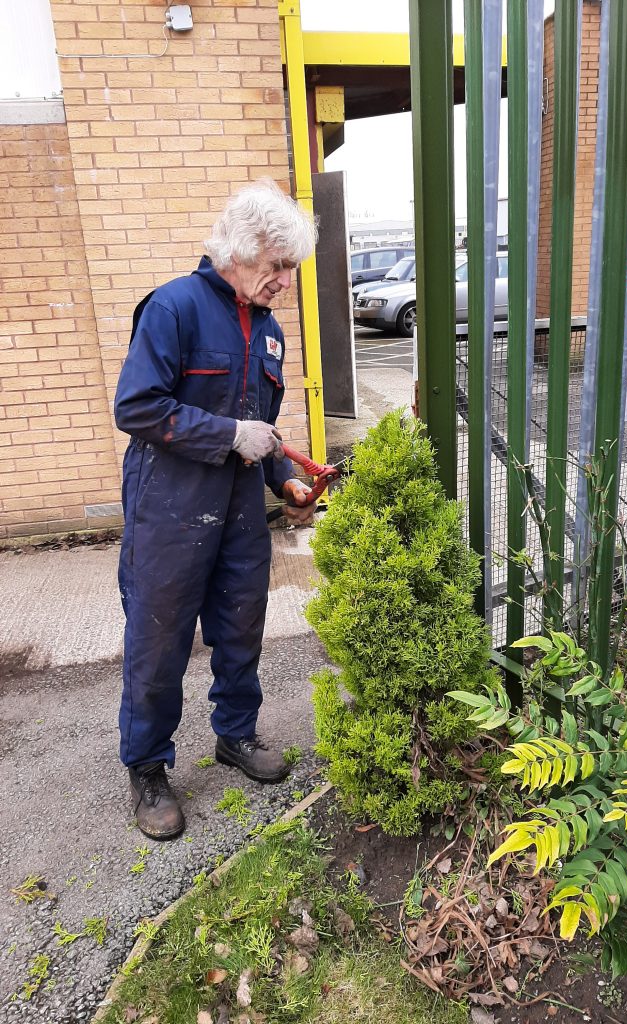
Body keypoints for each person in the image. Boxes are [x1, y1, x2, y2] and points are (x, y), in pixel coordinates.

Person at [114, 180, 317, 841]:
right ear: (241, 249)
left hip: (237, 514)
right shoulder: (173, 309)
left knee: (239, 629)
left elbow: (262, 425)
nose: (285, 281)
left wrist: (284, 479)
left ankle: (234, 734)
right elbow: (137, 406)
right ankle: (147, 767)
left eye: (291, 269)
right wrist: (228, 436)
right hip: (169, 511)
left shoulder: (270, 332)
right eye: (279, 266)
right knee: (158, 640)